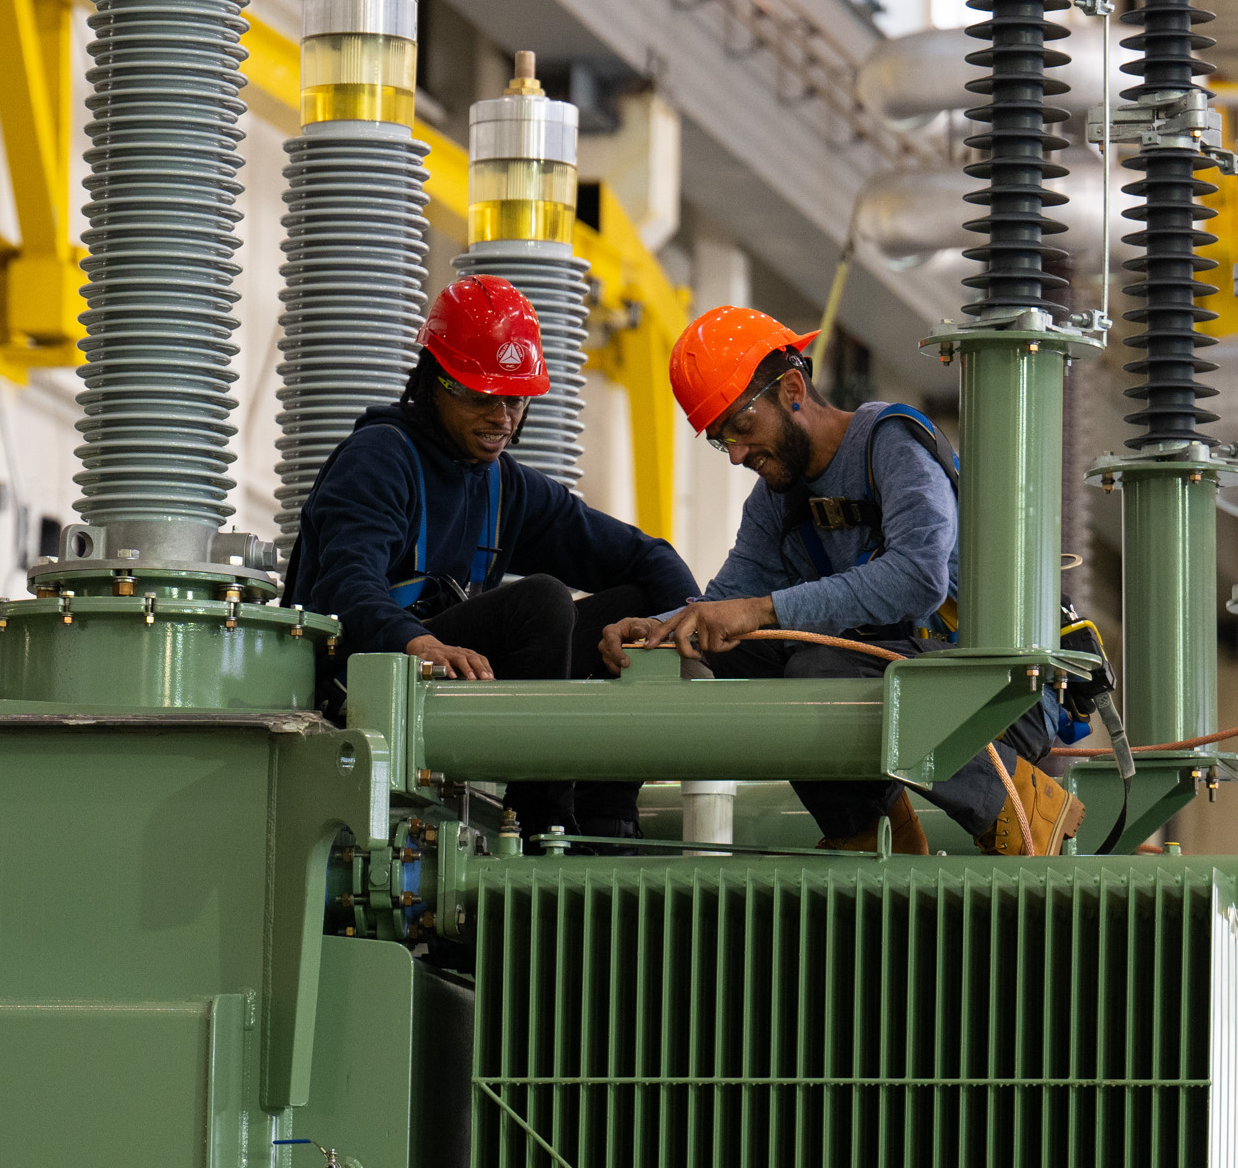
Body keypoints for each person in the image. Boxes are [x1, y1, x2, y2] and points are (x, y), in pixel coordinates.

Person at [597, 305, 1082, 856]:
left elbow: (919, 577)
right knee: (731, 647)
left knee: (813, 665)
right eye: (718, 439)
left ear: (793, 389)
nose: (734, 454)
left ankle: (1016, 805)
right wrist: (655, 629)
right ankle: (871, 834)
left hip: (990, 701)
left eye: (740, 426)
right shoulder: (775, 503)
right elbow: (726, 606)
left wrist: (762, 611)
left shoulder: (892, 443)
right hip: (890, 687)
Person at [285, 275, 697, 839]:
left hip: (457, 677)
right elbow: (344, 585)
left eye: (516, 399)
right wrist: (417, 641)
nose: (503, 419)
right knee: (544, 600)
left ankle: (607, 821)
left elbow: (647, 555)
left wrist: (682, 623)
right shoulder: (379, 458)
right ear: (435, 384)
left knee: (641, 605)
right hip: (360, 687)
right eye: (482, 397)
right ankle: (540, 822)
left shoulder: (506, 487)